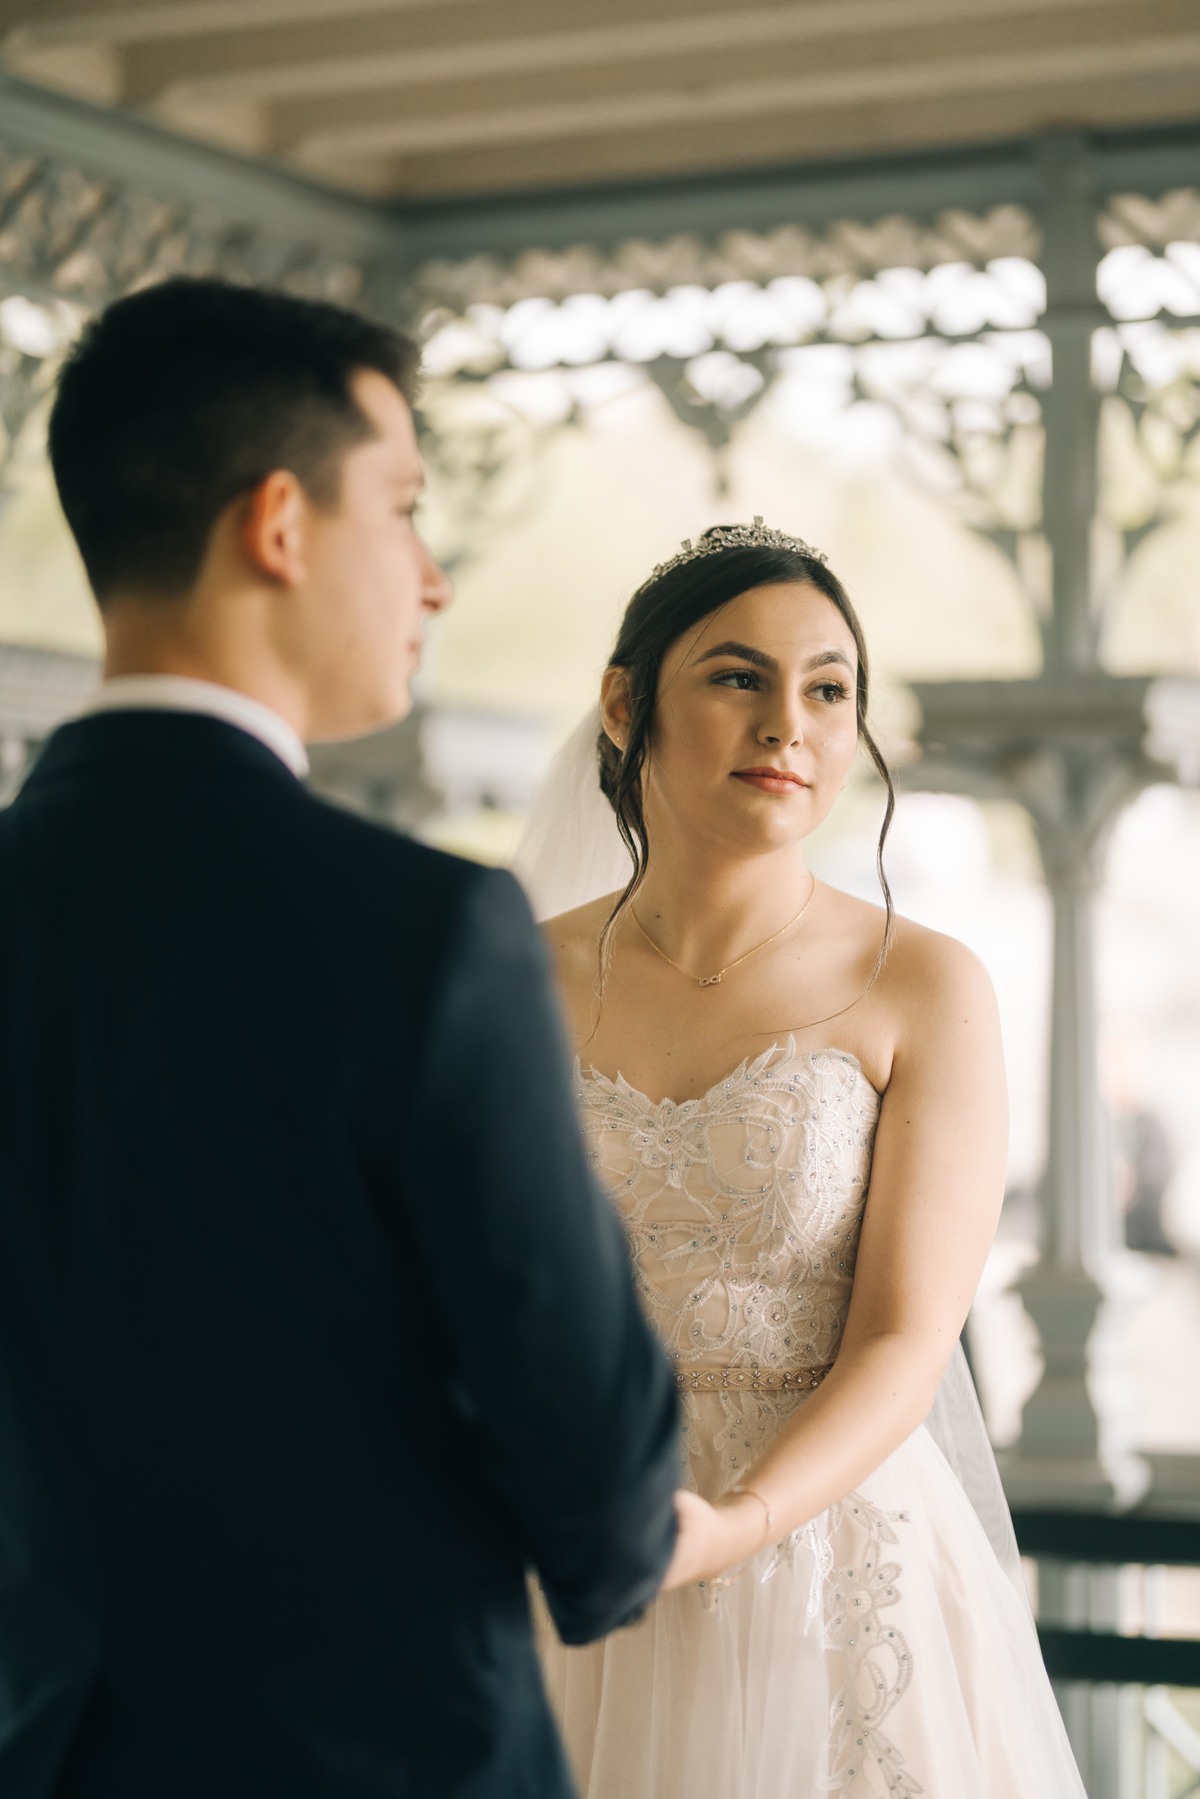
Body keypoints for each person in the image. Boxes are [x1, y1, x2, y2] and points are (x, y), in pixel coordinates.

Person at [0, 276, 679, 1799]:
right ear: (280, 525)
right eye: (406, 506)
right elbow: (608, 1487)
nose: (433, 576)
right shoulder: (423, 929)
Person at [519, 521, 1087, 1797]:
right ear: (626, 705)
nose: (791, 724)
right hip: (567, 1540)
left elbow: (904, 1336)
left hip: (830, 1559)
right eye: (738, 677)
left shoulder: (925, 984)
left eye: (830, 689)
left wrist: (733, 1527)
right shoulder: (504, 968)